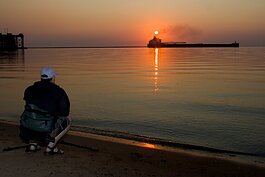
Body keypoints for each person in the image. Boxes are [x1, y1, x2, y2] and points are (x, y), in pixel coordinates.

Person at [20, 67, 71, 154]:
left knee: (34, 115)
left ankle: (33, 145)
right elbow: (65, 112)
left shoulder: (29, 89)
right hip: (45, 128)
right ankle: (51, 147)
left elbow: (32, 107)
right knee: (68, 119)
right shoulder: (58, 92)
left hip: (27, 128)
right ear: (53, 78)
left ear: (41, 77)